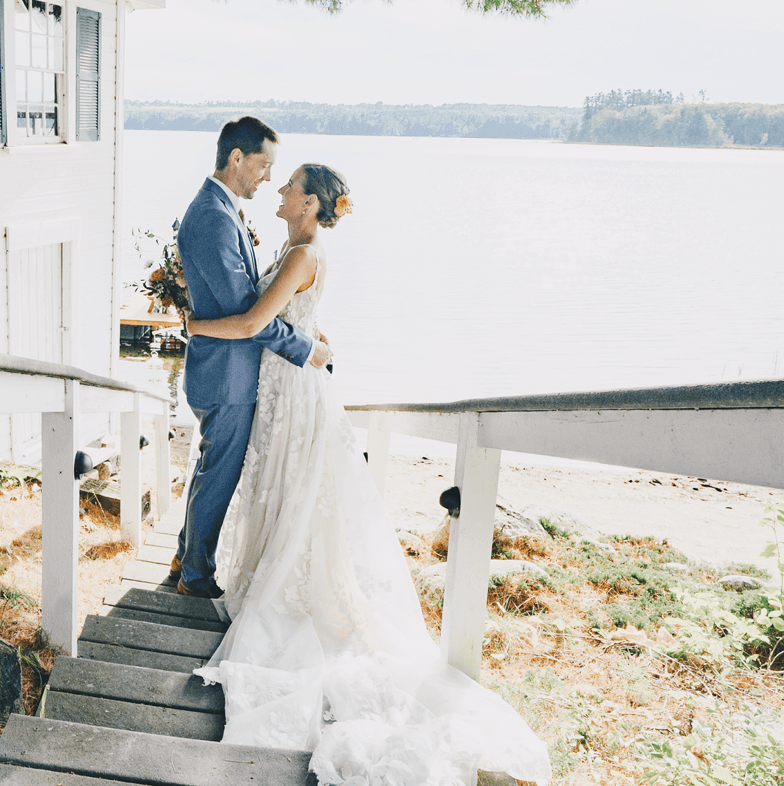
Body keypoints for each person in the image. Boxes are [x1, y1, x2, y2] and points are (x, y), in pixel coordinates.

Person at [185, 164, 552, 786]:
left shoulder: (304, 254)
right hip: (282, 386)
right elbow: (294, 319)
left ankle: (290, 584)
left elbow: (253, 324)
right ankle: (265, 566)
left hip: (295, 395)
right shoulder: (294, 246)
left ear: (309, 203)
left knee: (299, 493)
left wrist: (192, 325)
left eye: (289, 184)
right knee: (280, 490)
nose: (278, 189)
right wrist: (313, 336)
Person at [171, 116, 333, 599]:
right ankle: (195, 578)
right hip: (228, 373)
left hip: (229, 369)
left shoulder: (221, 209)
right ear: (237, 158)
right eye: (264, 166)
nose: (268, 178)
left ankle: (185, 555)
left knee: (212, 469)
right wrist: (307, 350)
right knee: (219, 475)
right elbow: (248, 315)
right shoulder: (212, 217)